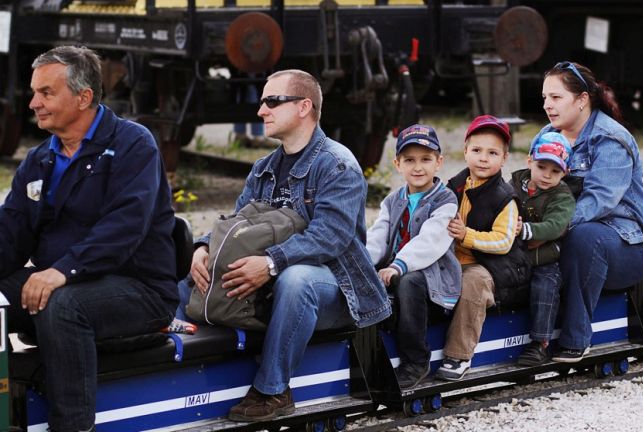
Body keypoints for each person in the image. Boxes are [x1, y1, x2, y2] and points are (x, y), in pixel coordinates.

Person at [178, 69, 390, 421]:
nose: (261, 110)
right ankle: (165, 370)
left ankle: (273, 391)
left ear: (305, 106)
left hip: (337, 287)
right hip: (272, 279)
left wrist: (271, 263)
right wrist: (202, 248)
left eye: (272, 101)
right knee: (189, 283)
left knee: (298, 281)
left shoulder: (338, 164)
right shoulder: (264, 168)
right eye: (263, 101)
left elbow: (331, 237)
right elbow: (235, 221)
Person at [0, 46, 178, 432]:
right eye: (34, 92)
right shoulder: (39, 160)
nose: (33, 103)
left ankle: (74, 426)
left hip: (139, 288)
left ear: (83, 97)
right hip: (64, 280)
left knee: (62, 304)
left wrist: (61, 270)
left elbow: (124, 229)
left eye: (46, 93)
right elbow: (10, 237)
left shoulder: (134, 145)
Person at [537, 61, 643, 363]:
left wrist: (550, 227)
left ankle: (577, 338)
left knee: (584, 236)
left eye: (556, 97)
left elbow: (599, 200)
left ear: (581, 99)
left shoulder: (610, 138)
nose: (548, 105)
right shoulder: (549, 135)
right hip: (570, 233)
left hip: (625, 245)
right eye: (545, 98)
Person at [366, 124, 461, 389]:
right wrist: (362, 263)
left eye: (425, 159)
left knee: (409, 282)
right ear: (397, 164)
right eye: (409, 160)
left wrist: (398, 266)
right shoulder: (392, 200)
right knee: (366, 279)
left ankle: (416, 361)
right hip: (397, 272)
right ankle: (370, 354)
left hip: (434, 283)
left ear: (439, 162)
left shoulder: (445, 201)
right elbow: (378, 237)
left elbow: (429, 241)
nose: (418, 167)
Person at [436, 115, 526, 381]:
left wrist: (467, 236)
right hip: (454, 259)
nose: (483, 158)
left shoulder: (505, 197)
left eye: (492, 153)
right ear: (465, 152)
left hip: (492, 266)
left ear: (504, 158)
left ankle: (459, 355)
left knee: (473, 284)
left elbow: (503, 241)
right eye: (476, 150)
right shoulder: (454, 186)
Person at [511, 132, 576, 366]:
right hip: (515, 255)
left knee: (545, 286)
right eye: (541, 167)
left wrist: (525, 230)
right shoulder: (514, 185)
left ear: (565, 172)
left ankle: (540, 343)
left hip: (546, 257)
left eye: (555, 171)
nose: (547, 175)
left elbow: (556, 225)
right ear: (529, 162)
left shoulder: (562, 196)